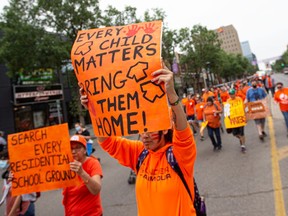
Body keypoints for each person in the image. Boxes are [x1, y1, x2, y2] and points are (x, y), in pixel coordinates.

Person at [80, 64, 197, 215]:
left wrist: (172, 94)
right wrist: (94, 108)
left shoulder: (179, 154)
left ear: (166, 127)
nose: (145, 135)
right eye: (142, 129)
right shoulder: (139, 153)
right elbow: (107, 141)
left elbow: (183, 131)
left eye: (151, 128)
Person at [62, 134, 103, 216]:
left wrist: (81, 173)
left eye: (77, 148)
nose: (73, 151)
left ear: (85, 150)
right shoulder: (66, 164)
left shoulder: (93, 163)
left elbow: (96, 190)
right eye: (71, 148)